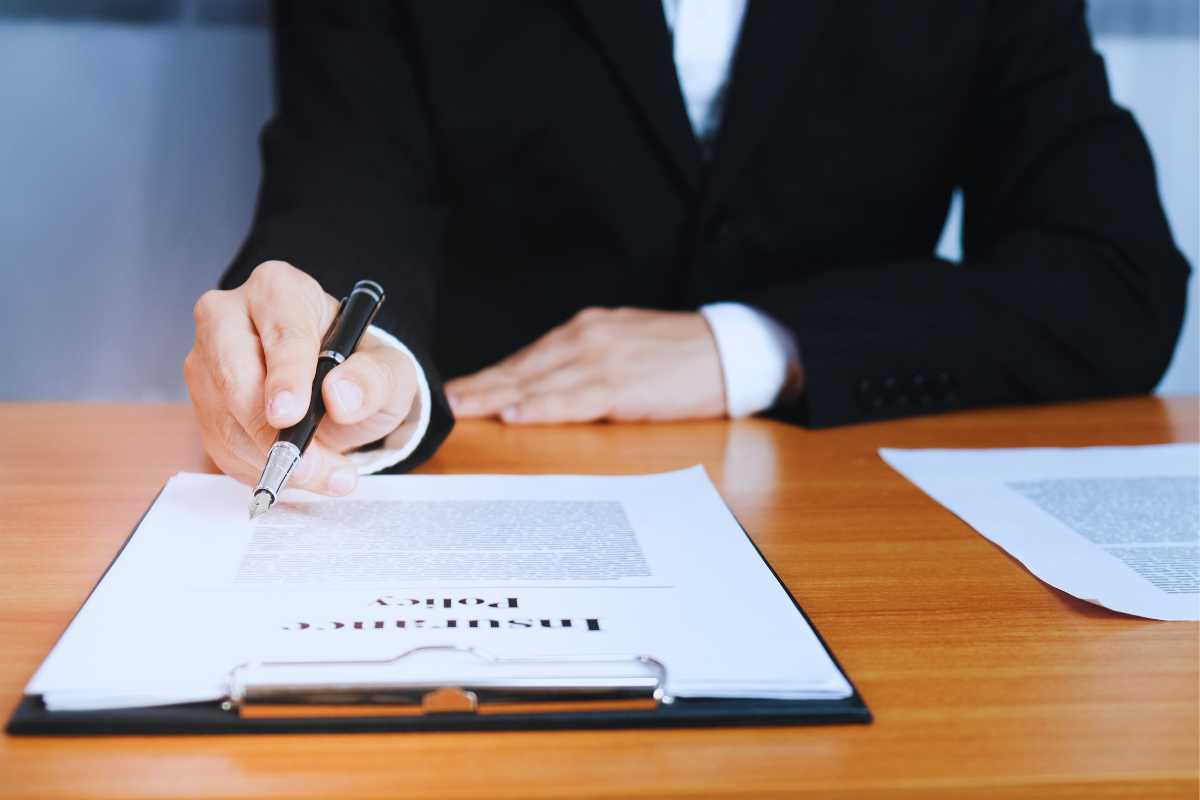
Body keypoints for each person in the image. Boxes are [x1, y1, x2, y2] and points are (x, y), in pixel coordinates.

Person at [185, 1, 1189, 497]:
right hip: (487, 493)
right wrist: (342, 359)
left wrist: (750, 345)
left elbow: (1115, 275)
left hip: (856, 514)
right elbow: (340, 191)